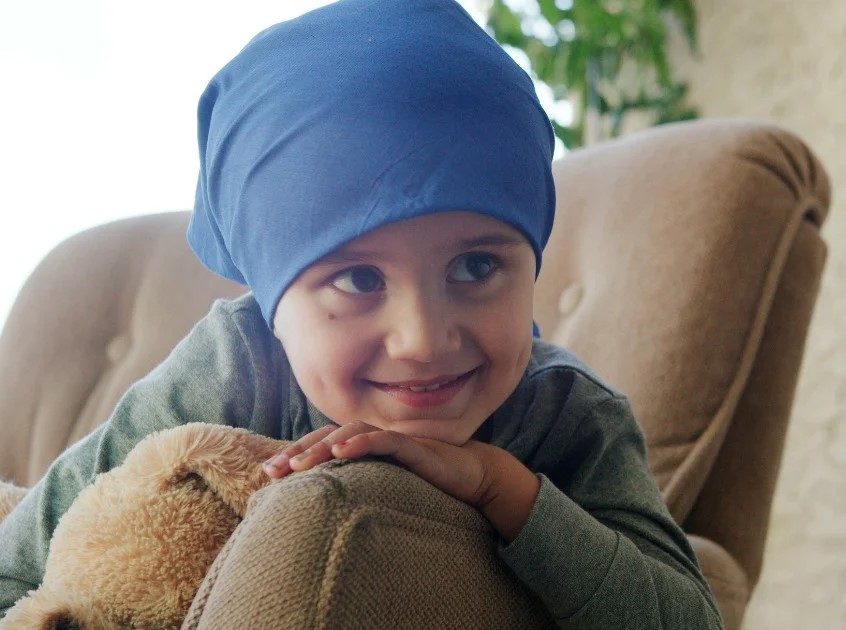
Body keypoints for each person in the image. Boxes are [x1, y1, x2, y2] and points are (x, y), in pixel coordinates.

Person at [0, 0, 723, 626]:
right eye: (357, 278)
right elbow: (19, 561)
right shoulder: (229, 370)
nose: (422, 339)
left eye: (476, 267)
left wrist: (502, 487)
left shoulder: (567, 414)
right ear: (272, 304)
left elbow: (688, 616)